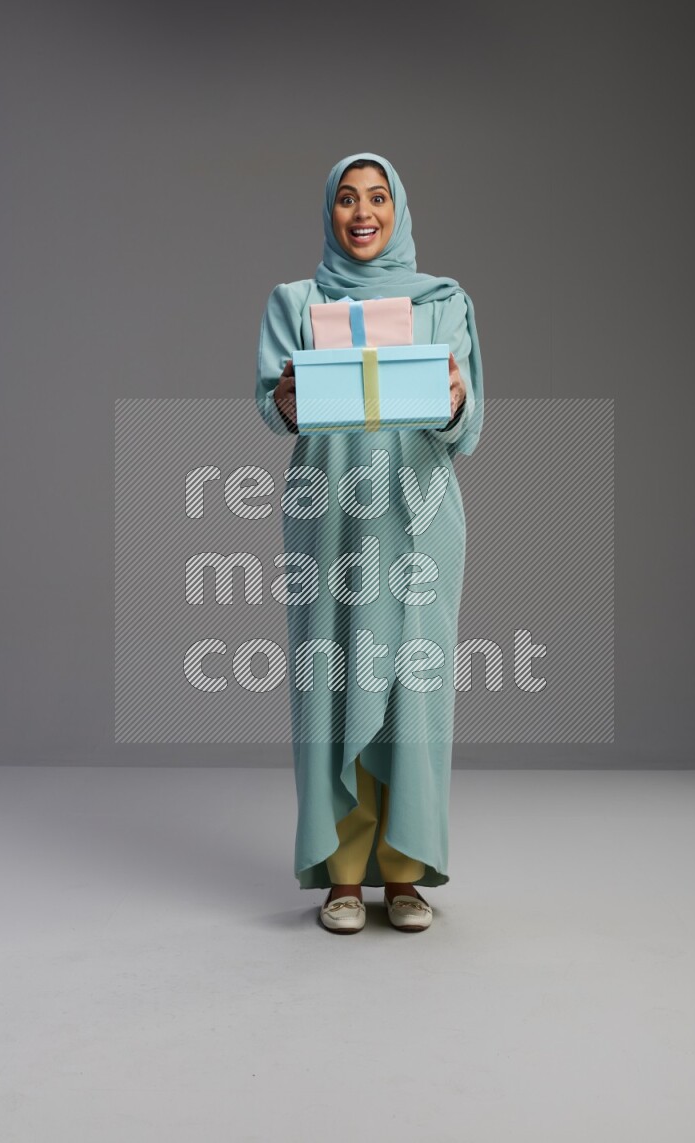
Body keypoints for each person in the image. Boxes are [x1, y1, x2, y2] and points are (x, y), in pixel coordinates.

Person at [255, 151, 484, 933]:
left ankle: (407, 873)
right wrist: (286, 399)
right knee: (333, 687)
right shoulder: (296, 301)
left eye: (378, 198)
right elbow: (275, 404)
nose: (362, 212)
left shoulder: (444, 302)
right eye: (348, 199)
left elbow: (469, 423)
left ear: (399, 210)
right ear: (329, 212)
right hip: (330, 520)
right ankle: (343, 876)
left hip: (416, 518)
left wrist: (454, 399)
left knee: (411, 697)